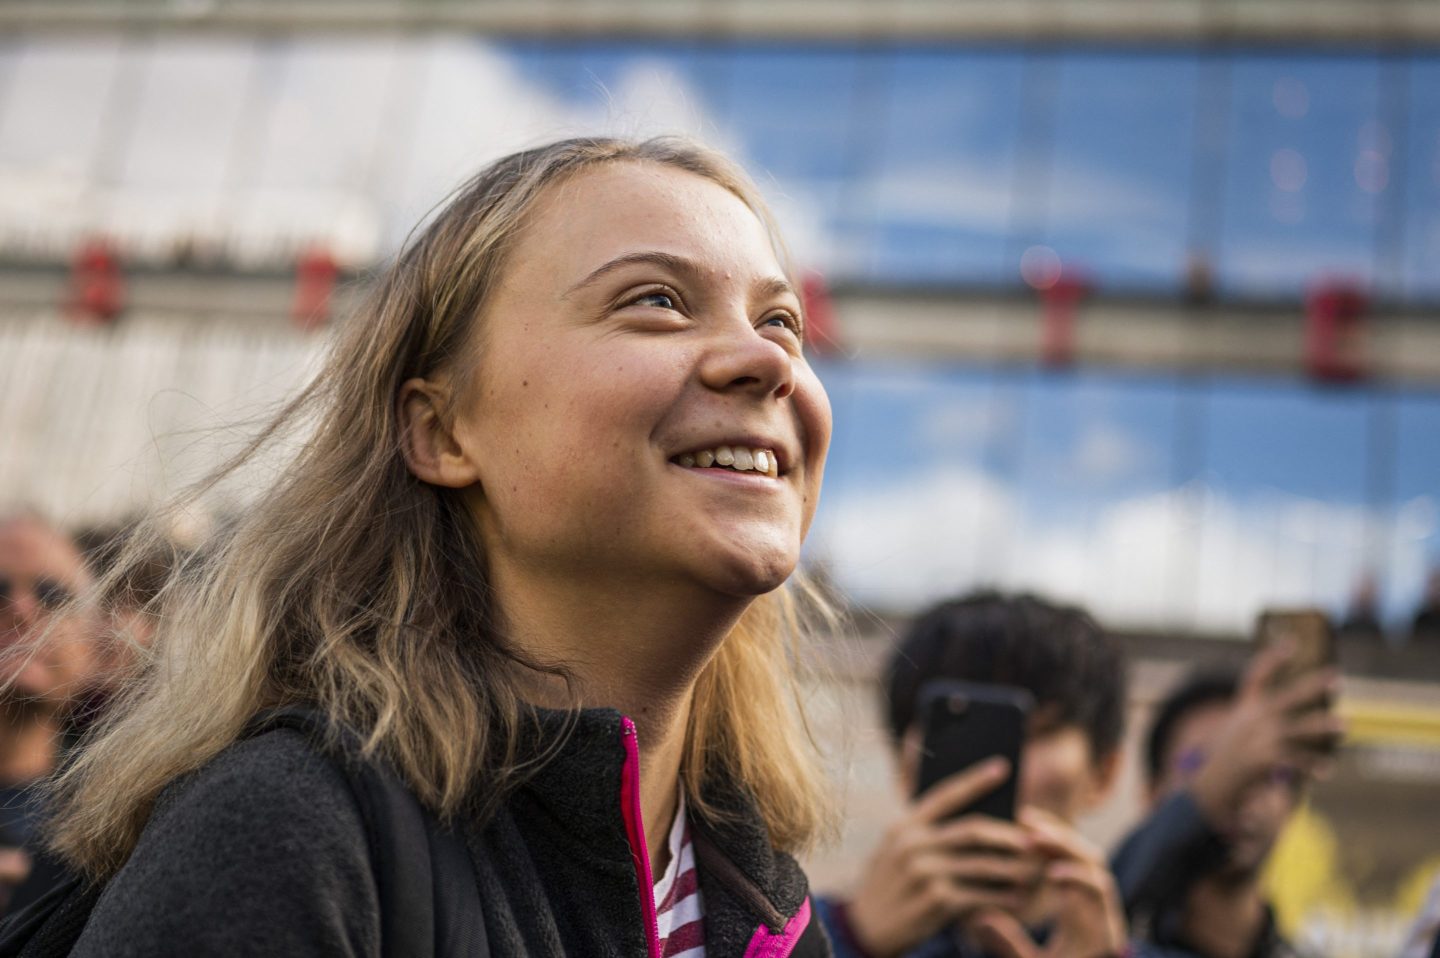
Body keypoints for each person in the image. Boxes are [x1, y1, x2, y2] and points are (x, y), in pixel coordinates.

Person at [28, 137, 837, 956]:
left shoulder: (768, 904)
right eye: (657, 301)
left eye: (780, 321)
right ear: (441, 431)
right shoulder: (292, 832)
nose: (768, 361)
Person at [816, 591, 1129, 958]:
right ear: (905, 765)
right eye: (962, 737)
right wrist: (847, 940)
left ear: (1103, 773)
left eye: (1032, 733)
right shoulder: (781, 936)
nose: (994, 770)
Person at [1113, 644, 1343, 958]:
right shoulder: (1101, 942)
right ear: (1153, 794)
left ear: (1293, 804)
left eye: (1268, 771)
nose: (1240, 787)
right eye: (1201, 763)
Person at [0, 512, 105, 912]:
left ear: (94, 645)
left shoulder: (116, 819)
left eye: (51, 594)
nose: (21, 609)